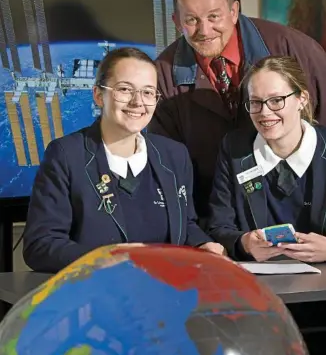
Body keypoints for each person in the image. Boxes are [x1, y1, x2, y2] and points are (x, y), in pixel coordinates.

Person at [23, 47, 224, 273]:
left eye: (148, 92)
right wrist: (103, 259)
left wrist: (203, 245)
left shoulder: (174, 155)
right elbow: (40, 244)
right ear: (99, 95)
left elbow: (186, 225)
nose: (138, 102)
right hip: (97, 297)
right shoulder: (66, 155)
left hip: (166, 293)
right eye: (125, 89)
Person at [148, 0, 326, 222]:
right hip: (217, 220)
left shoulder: (294, 48)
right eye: (191, 20)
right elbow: (168, 168)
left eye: (214, 16)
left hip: (309, 213)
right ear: (177, 22)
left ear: (234, 12)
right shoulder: (162, 76)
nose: (205, 30)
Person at [207, 55, 326, 262]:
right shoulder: (235, 149)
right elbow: (218, 226)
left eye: (276, 100)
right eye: (255, 102)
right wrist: (245, 243)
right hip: (257, 284)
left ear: (302, 99)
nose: (264, 112)